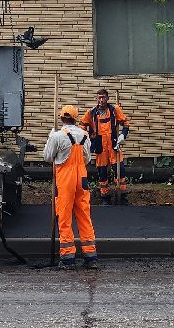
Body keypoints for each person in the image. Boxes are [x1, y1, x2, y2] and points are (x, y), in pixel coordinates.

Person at [44, 104, 97, 269]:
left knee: (65, 217)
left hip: (65, 179)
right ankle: (90, 257)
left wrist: (50, 137)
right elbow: (87, 159)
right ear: (76, 119)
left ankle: (68, 258)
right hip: (82, 178)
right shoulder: (85, 135)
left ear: (61, 118)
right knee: (84, 215)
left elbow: (47, 157)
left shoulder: (57, 136)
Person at [79, 88, 130, 203]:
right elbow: (81, 125)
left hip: (113, 144)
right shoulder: (91, 113)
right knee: (102, 171)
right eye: (99, 98)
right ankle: (105, 196)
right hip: (100, 146)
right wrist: (87, 136)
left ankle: (121, 195)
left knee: (120, 170)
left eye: (103, 97)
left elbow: (125, 122)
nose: (101, 100)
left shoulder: (114, 110)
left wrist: (123, 135)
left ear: (107, 98)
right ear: (97, 99)